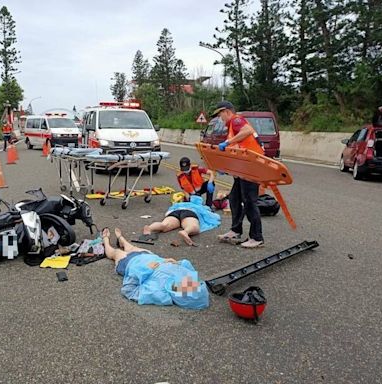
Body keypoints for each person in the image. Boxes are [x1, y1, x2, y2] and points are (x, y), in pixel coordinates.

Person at [102, 227, 209, 310]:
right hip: (151, 257)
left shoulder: (161, 295)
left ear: (182, 297)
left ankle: (105, 241)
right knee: (132, 247)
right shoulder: (188, 280)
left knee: (116, 252)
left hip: (129, 264)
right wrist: (178, 262)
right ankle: (122, 240)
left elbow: (129, 291)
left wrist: (146, 270)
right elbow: (188, 266)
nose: (186, 282)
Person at [213, 100, 265, 248]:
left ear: (227, 111)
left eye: (220, 114)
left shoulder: (236, 120)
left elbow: (247, 130)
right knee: (235, 199)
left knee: (249, 201)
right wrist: (228, 168)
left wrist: (228, 142)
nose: (219, 118)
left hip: (251, 167)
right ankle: (235, 230)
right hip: (244, 167)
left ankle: (257, 237)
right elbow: (237, 151)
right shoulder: (231, 127)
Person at [142, 195, 221, 246]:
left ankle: (150, 228)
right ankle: (186, 232)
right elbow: (210, 216)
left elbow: (169, 211)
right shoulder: (199, 206)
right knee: (194, 226)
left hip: (175, 212)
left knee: (164, 225)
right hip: (190, 213)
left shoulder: (179, 204)